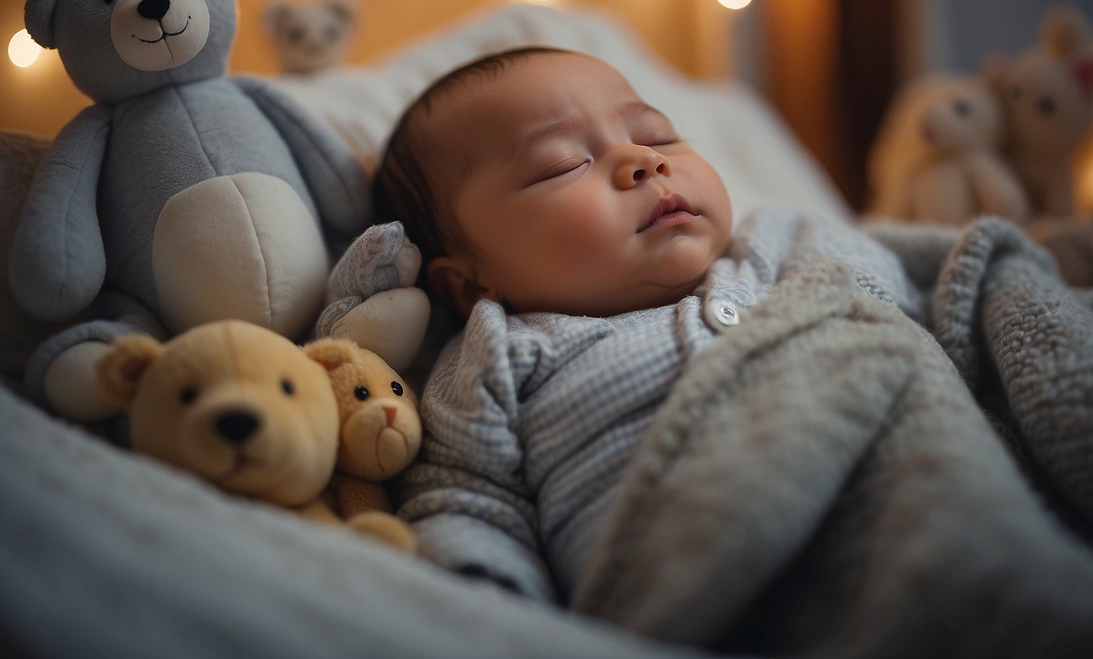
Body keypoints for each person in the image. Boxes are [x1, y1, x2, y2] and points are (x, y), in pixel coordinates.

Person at [372, 47, 924, 602]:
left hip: (908, 503)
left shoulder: (782, 244)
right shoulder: (494, 362)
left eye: (658, 136)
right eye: (562, 165)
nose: (644, 161)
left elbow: (900, 304)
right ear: (471, 284)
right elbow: (465, 506)